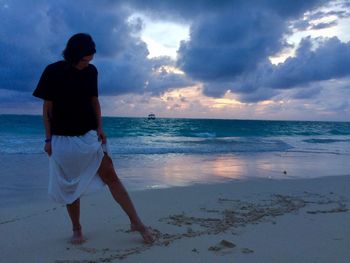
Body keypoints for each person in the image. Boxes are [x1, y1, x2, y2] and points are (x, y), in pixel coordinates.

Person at [33, 33, 153, 244]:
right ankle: (77, 229)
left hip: (89, 136)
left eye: (90, 60)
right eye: (84, 59)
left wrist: (100, 127)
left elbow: (94, 101)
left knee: (112, 176)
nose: (87, 63)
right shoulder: (52, 71)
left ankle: (136, 222)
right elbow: (47, 107)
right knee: (71, 188)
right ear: (73, 55)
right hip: (63, 139)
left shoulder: (91, 72)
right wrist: (48, 139)